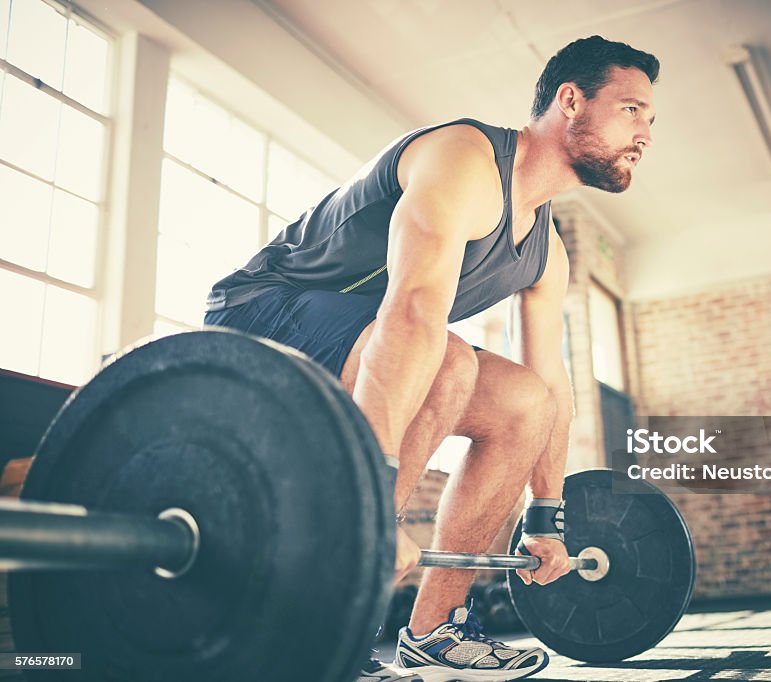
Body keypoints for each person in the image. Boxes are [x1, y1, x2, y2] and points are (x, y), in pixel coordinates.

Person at [204, 34, 658, 682]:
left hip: (368, 337)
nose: (645, 132)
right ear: (571, 100)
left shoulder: (546, 251)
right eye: (632, 109)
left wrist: (546, 518)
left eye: (651, 118)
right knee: (447, 360)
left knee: (523, 403)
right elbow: (414, 306)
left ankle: (435, 630)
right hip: (259, 312)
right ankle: (329, 619)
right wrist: (368, 509)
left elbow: (552, 387)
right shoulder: (465, 159)